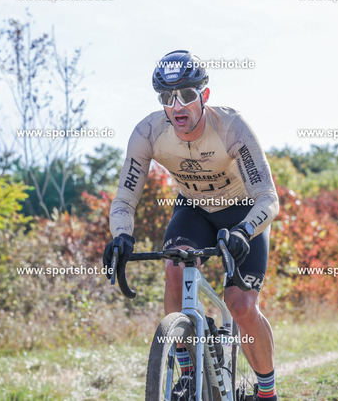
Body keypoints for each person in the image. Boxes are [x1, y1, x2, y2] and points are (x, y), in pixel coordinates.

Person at [103, 50, 280, 401]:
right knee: (175, 268)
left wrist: (245, 231)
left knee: (241, 305)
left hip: (243, 212)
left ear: (205, 95)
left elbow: (268, 198)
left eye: (186, 95)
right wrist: (121, 236)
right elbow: (124, 199)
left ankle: (267, 392)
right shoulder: (148, 132)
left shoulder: (231, 127)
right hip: (194, 209)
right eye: (167, 97)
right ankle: (187, 373)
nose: (177, 106)